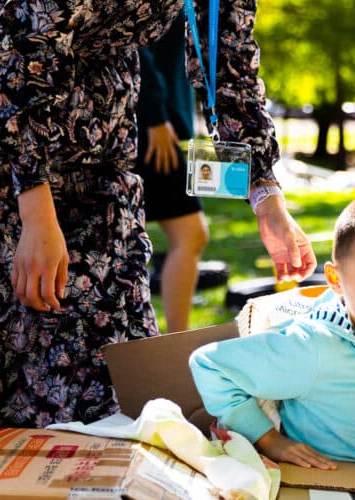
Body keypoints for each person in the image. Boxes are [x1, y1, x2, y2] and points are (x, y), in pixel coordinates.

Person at [0, 4, 316, 429]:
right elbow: (17, 50)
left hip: (104, 166)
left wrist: (267, 199)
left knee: (115, 386)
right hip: (4, 167)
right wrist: (36, 211)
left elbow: (230, 62)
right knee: (0, 376)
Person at [190, 193, 355, 469]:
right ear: (335, 280)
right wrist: (269, 440)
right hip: (336, 488)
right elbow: (210, 364)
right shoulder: (312, 346)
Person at [136, 17, 210, 333]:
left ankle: (173, 340)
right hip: (146, 124)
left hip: (156, 121)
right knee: (190, 234)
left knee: (189, 235)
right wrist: (153, 113)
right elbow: (131, 39)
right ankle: (174, 341)